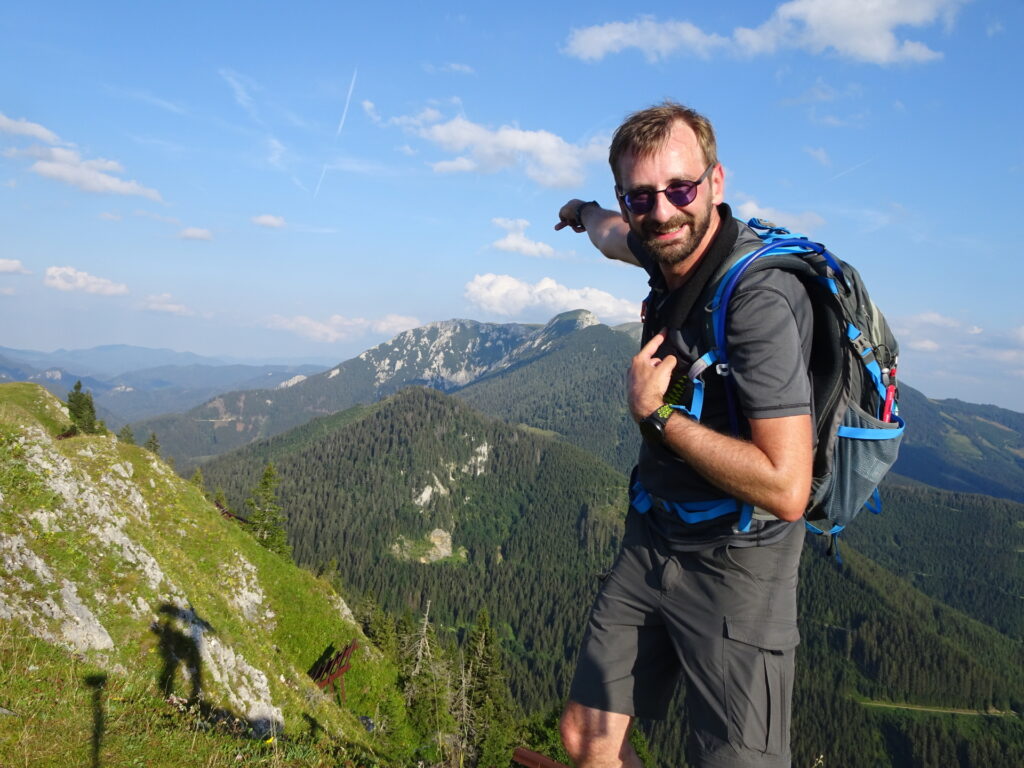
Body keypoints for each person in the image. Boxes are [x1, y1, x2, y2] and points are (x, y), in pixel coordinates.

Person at [554, 101, 814, 768]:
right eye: (642, 196)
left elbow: (788, 487)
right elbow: (615, 236)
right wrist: (583, 211)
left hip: (739, 558)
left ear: (716, 183)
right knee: (589, 738)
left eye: (681, 189)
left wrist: (659, 415)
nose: (663, 211)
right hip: (656, 535)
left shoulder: (758, 301)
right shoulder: (657, 241)